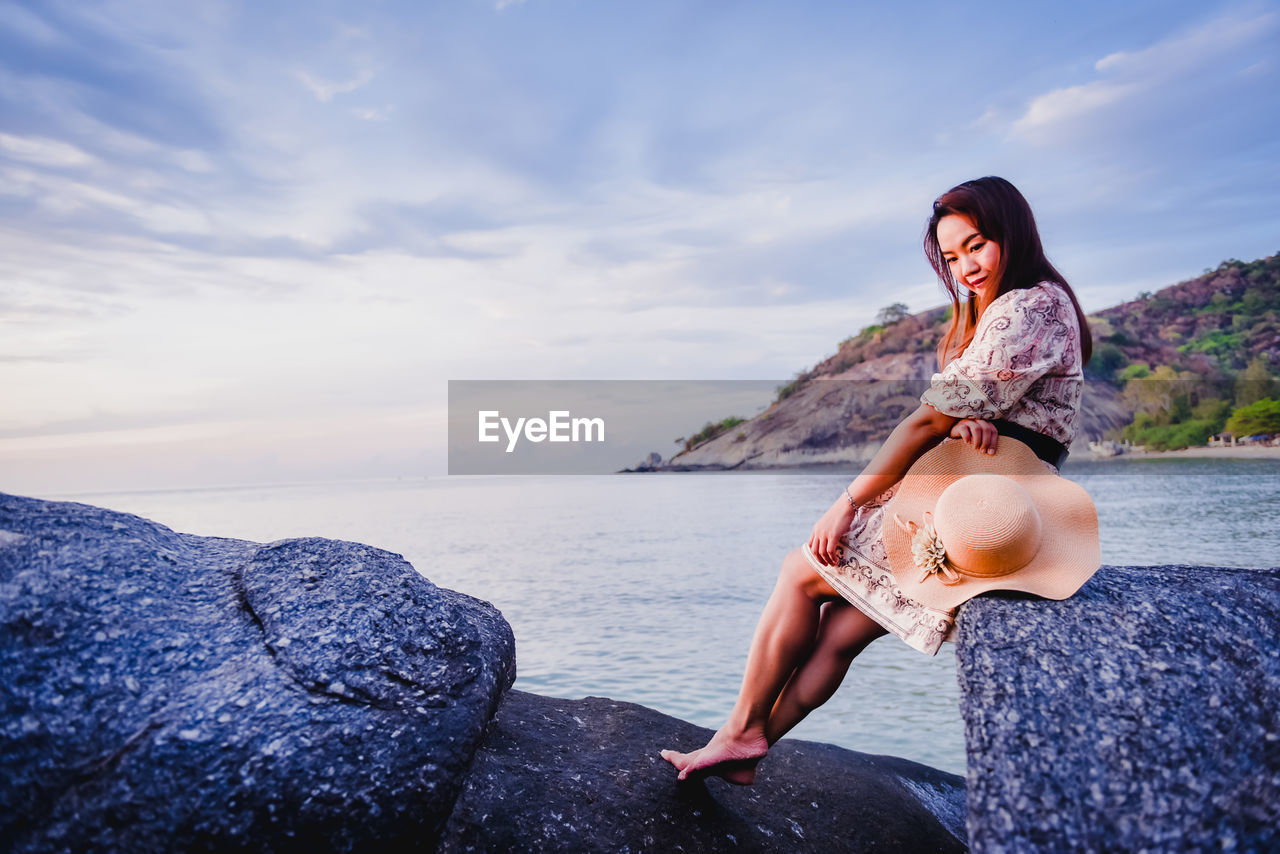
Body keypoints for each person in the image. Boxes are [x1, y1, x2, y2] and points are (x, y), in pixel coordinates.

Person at [659, 176, 1095, 784]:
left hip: (974, 501)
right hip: (1004, 504)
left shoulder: (1028, 306)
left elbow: (926, 418)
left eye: (977, 245)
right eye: (951, 257)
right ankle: (750, 743)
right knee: (841, 632)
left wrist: (848, 501)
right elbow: (1009, 410)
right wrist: (978, 421)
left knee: (801, 572)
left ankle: (738, 732)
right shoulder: (1032, 306)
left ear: (1012, 233)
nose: (965, 266)